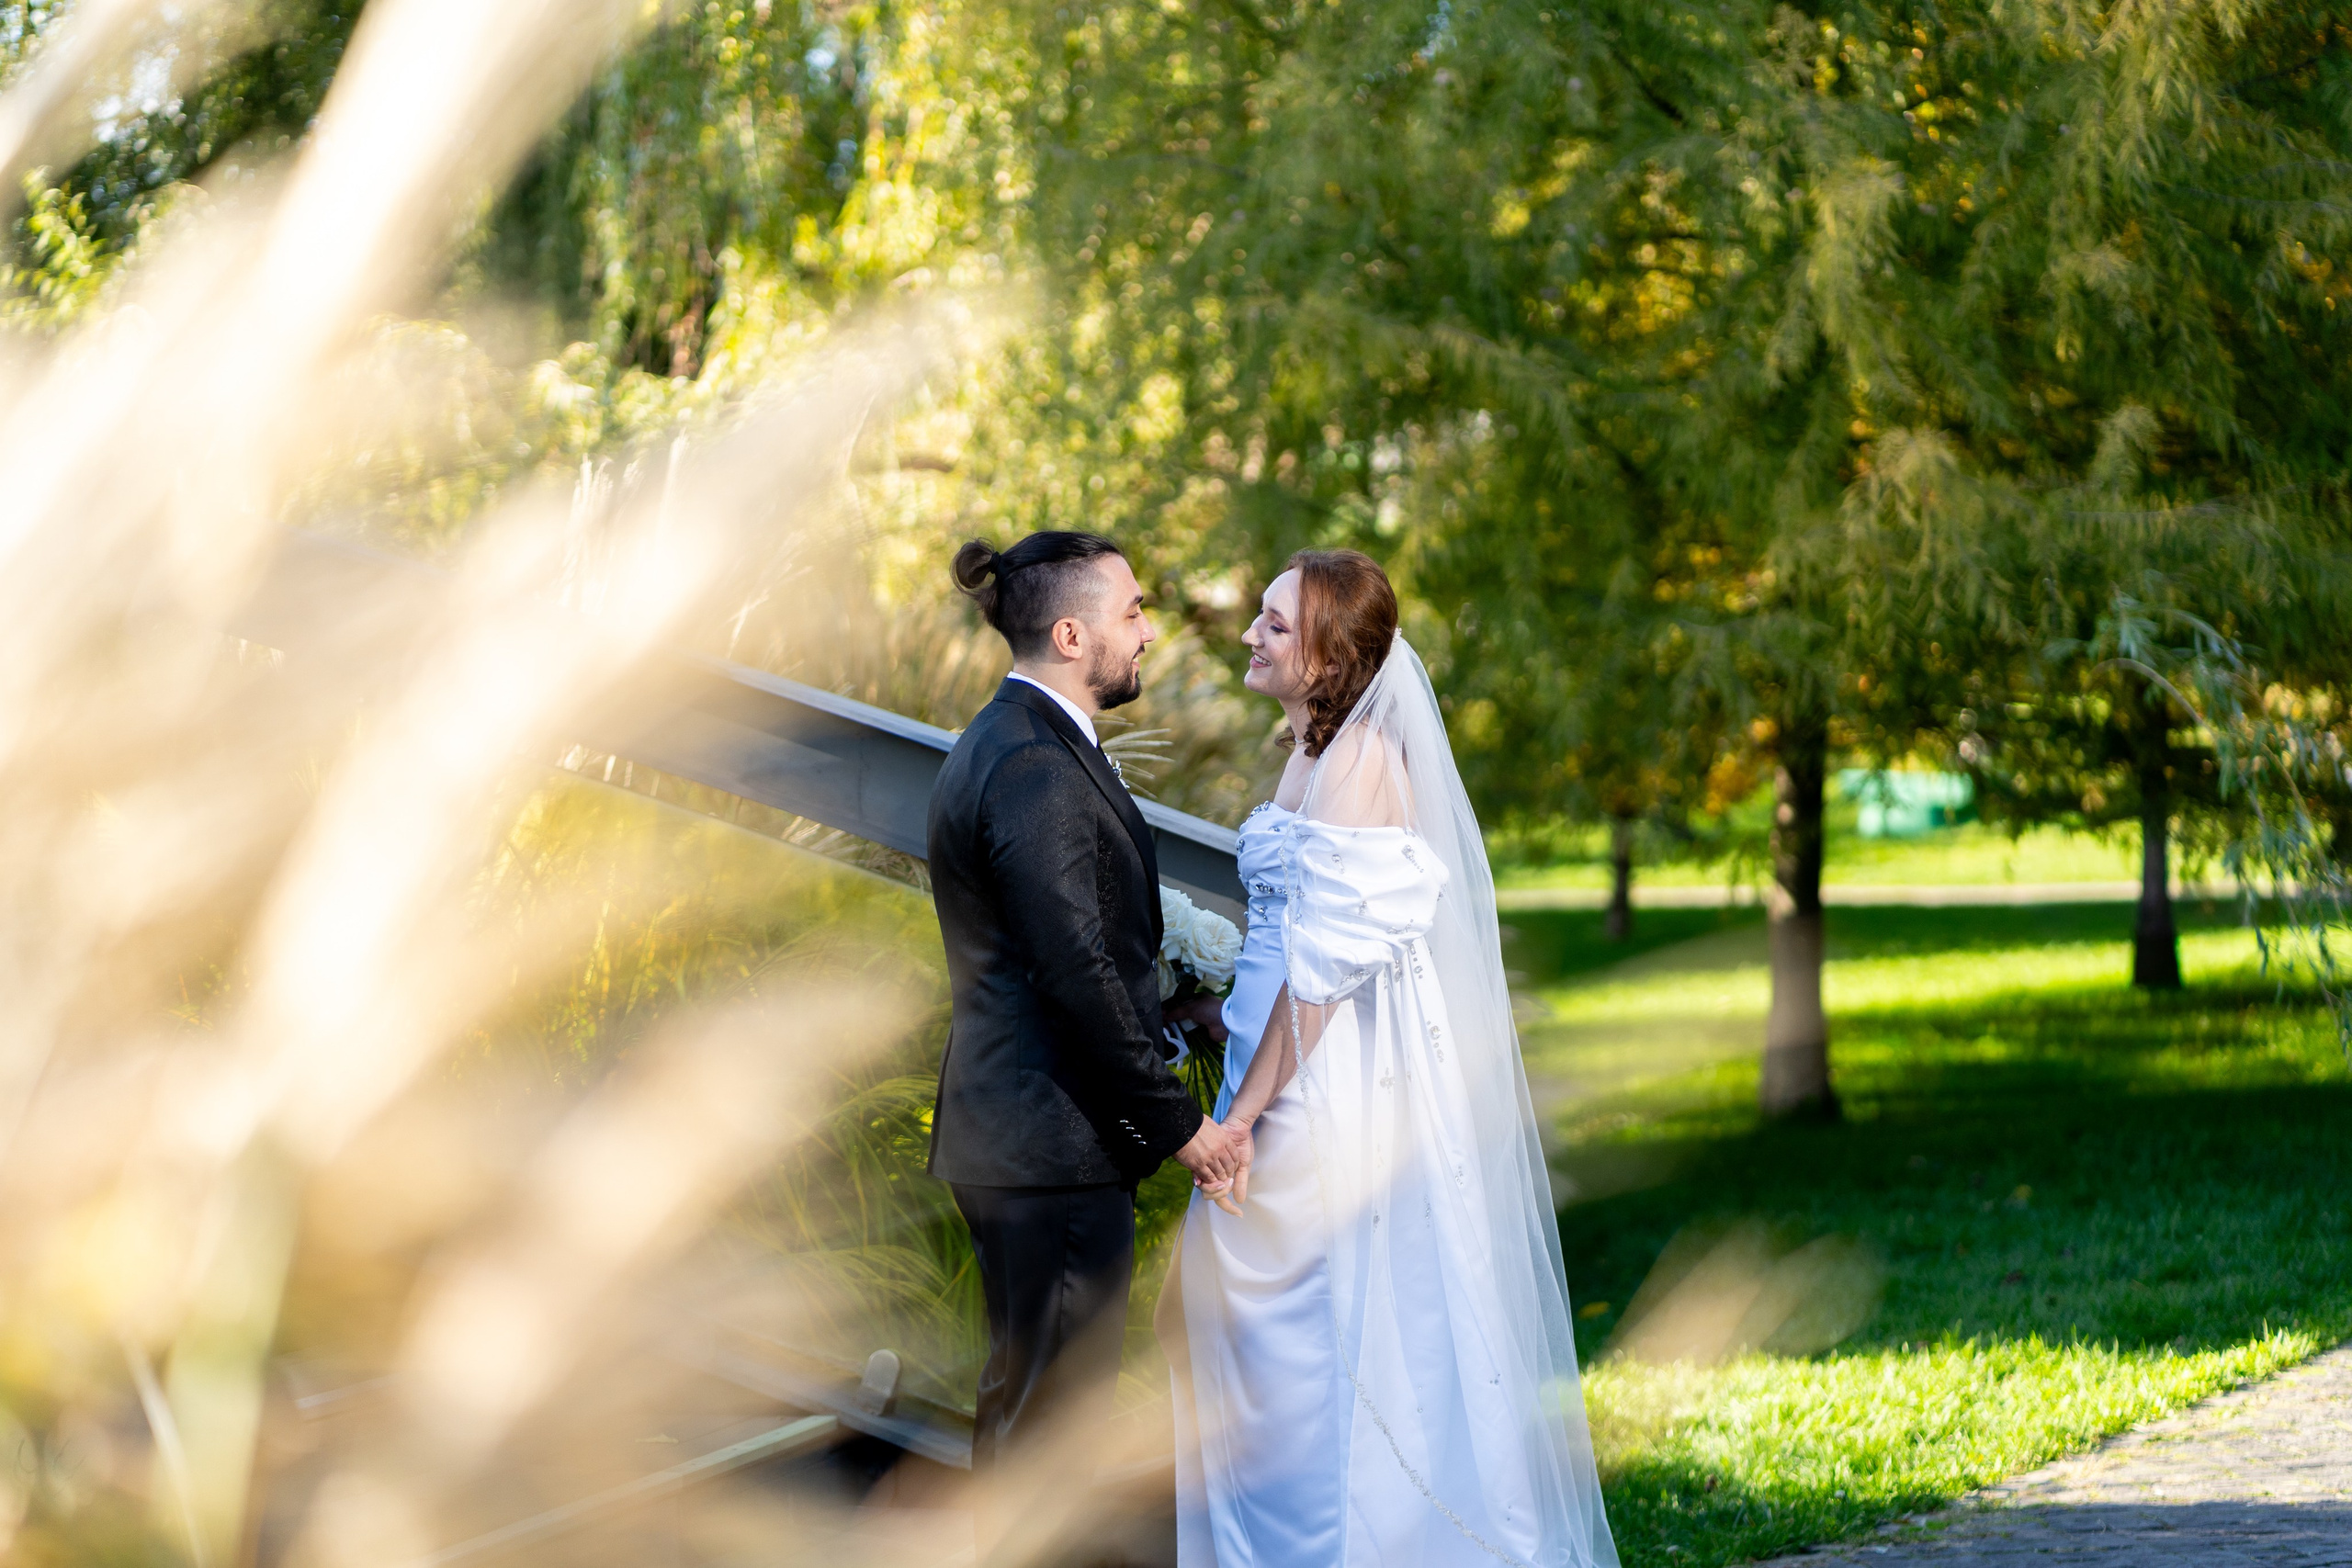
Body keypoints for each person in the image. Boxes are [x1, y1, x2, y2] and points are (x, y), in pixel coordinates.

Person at [1166, 550, 1620, 1568]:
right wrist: (1207, 1001)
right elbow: (1290, 938)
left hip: (1327, 1094)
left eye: (1275, 625)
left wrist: (1240, 1120)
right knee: (1254, 1342)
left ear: (1328, 655)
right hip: (1273, 1062)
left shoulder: (1366, 763)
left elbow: (1323, 979)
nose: (1251, 634)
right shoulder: (1309, 755)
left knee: (1325, 1344)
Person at [925, 530, 1244, 1520]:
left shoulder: (1022, 741)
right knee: (1052, 1437)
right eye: (1133, 612)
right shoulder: (1032, 764)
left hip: (1023, 1142)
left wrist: (1179, 1004)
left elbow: (1071, 944)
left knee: (1028, 1416)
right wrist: (1181, 1127)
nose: (1149, 632)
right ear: (1072, 633)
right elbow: (1073, 971)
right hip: (1047, 1151)